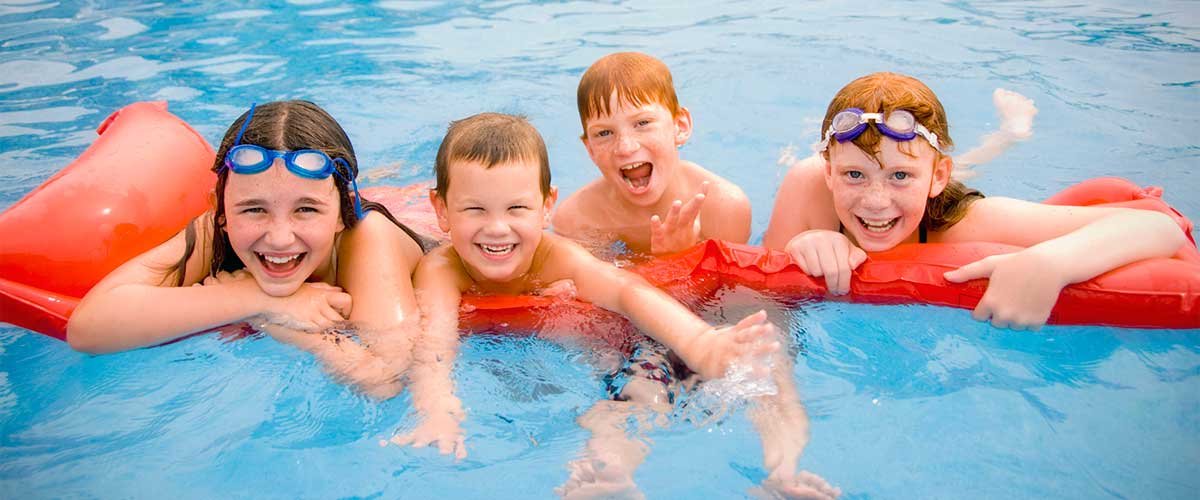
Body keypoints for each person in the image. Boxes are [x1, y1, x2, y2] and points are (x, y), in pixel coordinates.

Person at [389, 112, 836, 499]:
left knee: (761, 372)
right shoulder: (441, 268)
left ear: (547, 207)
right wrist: (436, 407)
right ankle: (609, 473)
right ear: (441, 210)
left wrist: (702, 343)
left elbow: (625, 291)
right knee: (632, 398)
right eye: (475, 211)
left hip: (651, 329)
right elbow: (435, 340)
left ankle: (784, 469)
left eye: (517, 208)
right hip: (609, 353)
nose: (498, 228)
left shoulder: (557, 254)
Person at [763, 72, 1187, 329]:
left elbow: (1159, 228)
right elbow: (767, 306)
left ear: (937, 178)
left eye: (899, 177)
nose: (876, 201)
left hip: (938, 209)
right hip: (885, 178)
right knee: (889, 172)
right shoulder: (808, 187)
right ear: (828, 172)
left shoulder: (967, 222)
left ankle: (1011, 133)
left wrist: (1052, 263)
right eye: (854, 174)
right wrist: (803, 244)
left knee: (951, 170)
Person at [67, 100, 435, 397]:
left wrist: (285, 327)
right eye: (254, 209)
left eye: (305, 209)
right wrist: (258, 300)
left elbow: (386, 378)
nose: (278, 238)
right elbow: (87, 329)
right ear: (221, 208)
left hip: (421, 224)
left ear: (343, 212)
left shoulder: (367, 237)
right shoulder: (215, 230)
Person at [552, 51, 751, 256]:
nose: (625, 147)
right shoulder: (577, 220)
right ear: (590, 149)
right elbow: (600, 286)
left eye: (643, 123)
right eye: (604, 133)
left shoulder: (722, 207)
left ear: (680, 126)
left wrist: (682, 255)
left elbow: (731, 287)